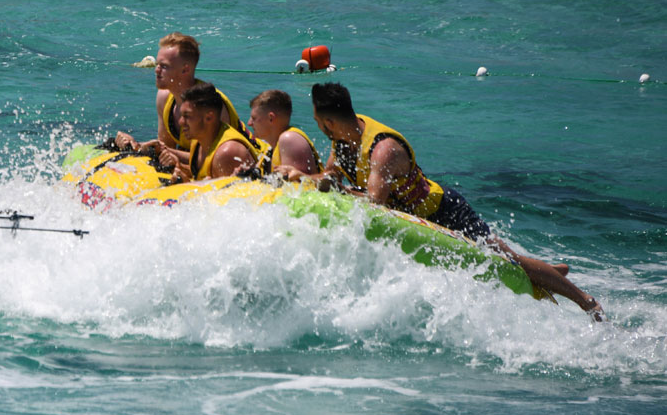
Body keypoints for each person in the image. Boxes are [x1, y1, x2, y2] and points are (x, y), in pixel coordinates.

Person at [309, 82, 602, 319]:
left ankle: (585, 300)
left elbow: (376, 204)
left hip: (444, 211)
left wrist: (343, 192)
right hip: (414, 217)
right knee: (506, 259)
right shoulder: (343, 142)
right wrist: (301, 177)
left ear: (328, 122)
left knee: (507, 259)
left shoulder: (382, 150)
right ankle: (550, 272)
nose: (317, 126)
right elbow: (331, 175)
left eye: (317, 121)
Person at [114, 32, 243, 166]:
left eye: (163, 66)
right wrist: (135, 146)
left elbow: (212, 160)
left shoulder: (208, 105)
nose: (156, 70)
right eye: (157, 64)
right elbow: (165, 148)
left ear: (185, 70)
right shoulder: (164, 97)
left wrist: (151, 148)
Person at [159, 82, 268, 181]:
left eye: (187, 116)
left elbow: (235, 199)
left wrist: (184, 182)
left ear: (209, 118)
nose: (181, 122)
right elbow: (202, 170)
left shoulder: (227, 153)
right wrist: (174, 161)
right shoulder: (198, 139)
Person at [236, 88, 321, 179]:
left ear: (271, 118)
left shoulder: (289, 139)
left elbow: (302, 188)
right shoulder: (269, 151)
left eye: (254, 118)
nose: (249, 123)